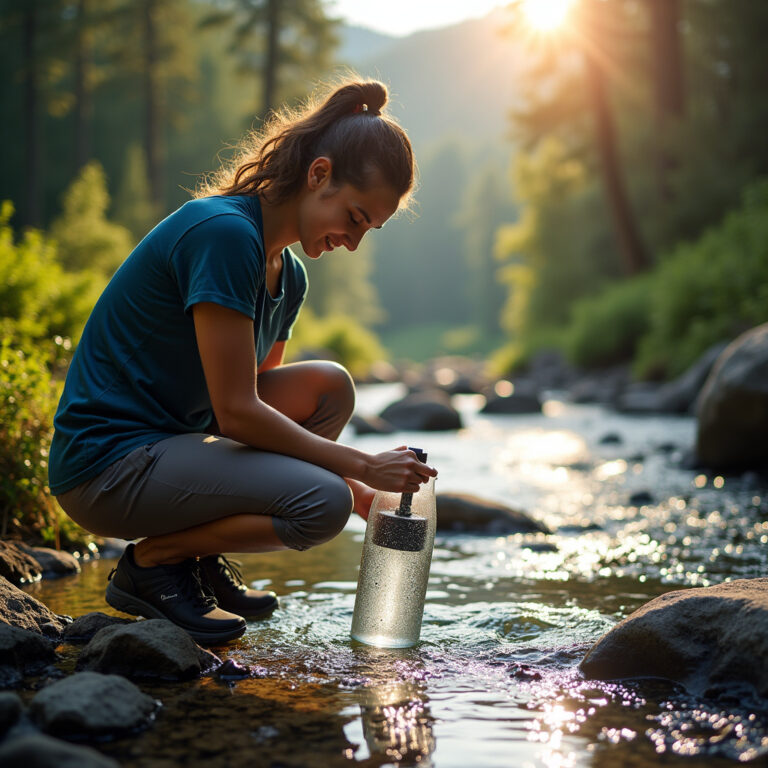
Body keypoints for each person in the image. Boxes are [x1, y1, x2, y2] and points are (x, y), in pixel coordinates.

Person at [48, 78, 438, 644]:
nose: (353, 242)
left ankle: (199, 559)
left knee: (330, 386)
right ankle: (157, 562)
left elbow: (252, 410)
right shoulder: (225, 236)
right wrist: (358, 472)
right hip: (106, 465)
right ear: (319, 174)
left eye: (367, 230)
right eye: (354, 218)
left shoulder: (289, 274)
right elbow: (236, 416)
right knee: (321, 504)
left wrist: (365, 494)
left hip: (174, 446)